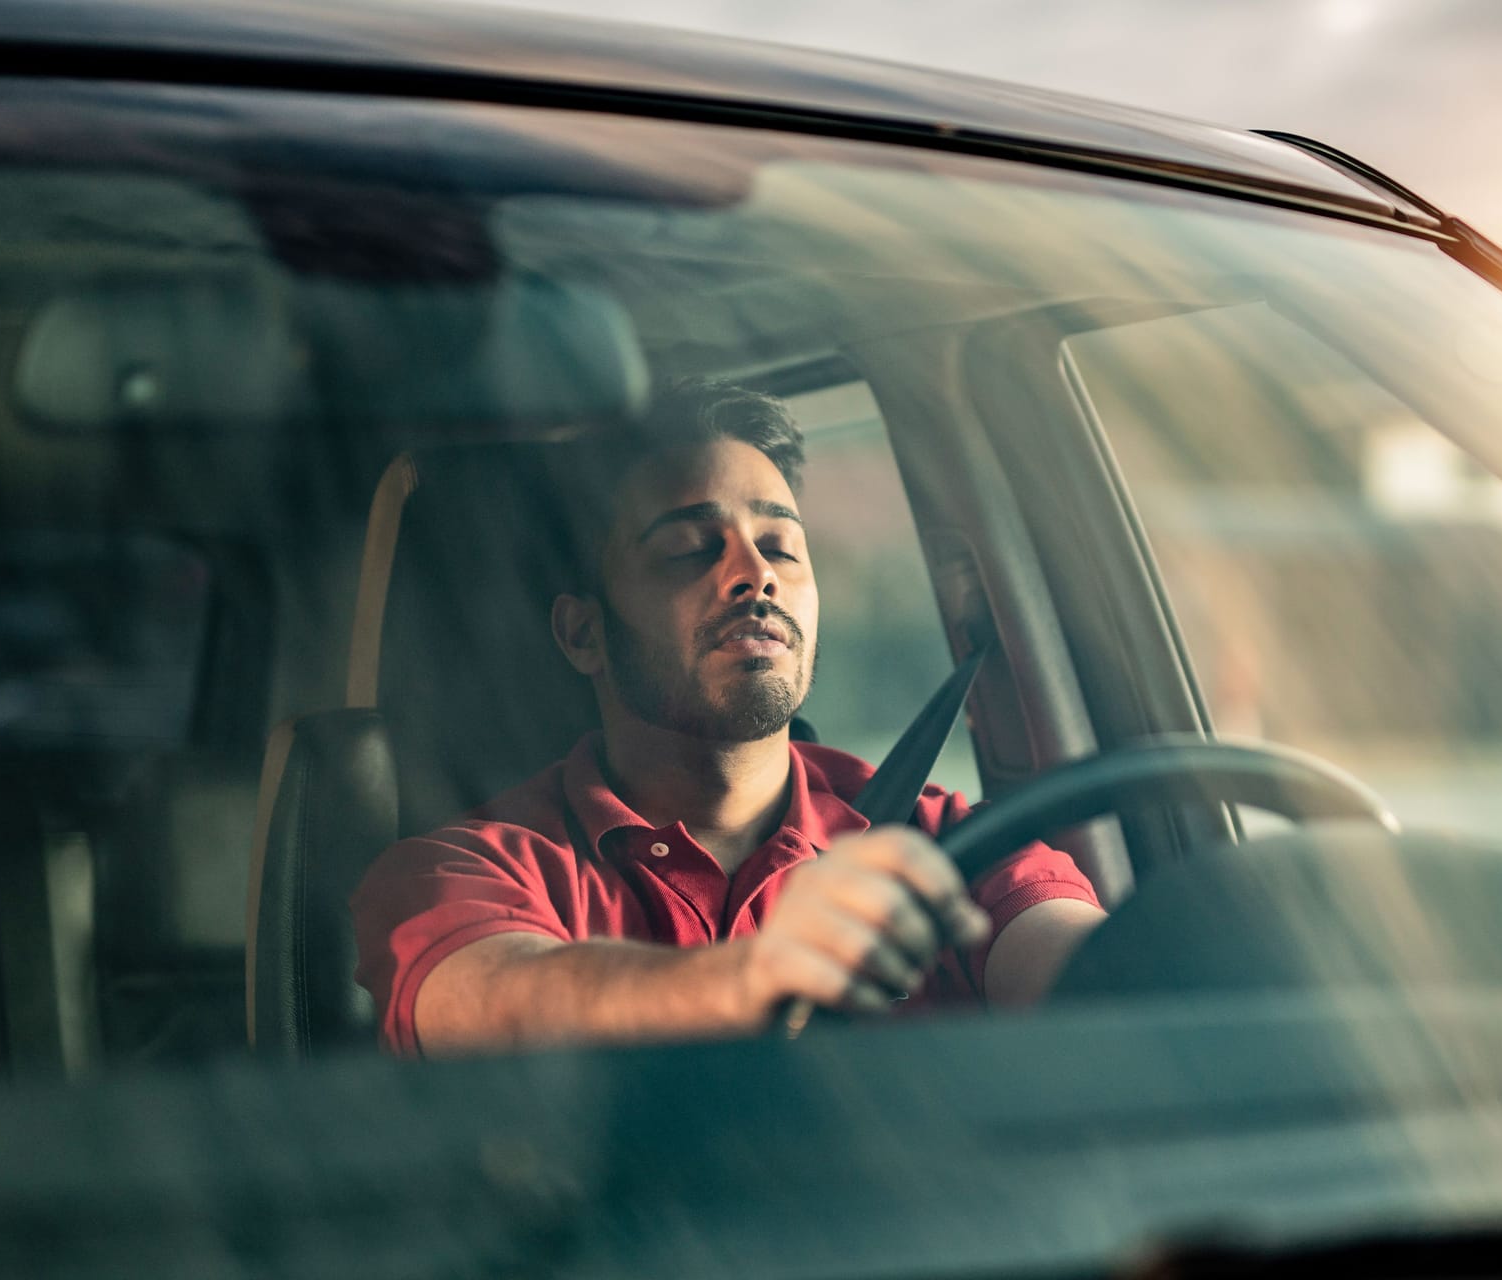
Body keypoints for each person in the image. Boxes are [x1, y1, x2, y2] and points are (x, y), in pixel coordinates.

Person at [351, 379, 1105, 1057]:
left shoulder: (946, 847)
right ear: (585, 633)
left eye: (780, 545)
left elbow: (1102, 972)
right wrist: (755, 977)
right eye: (687, 549)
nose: (757, 574)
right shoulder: (461, 871)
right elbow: (497, 1001)